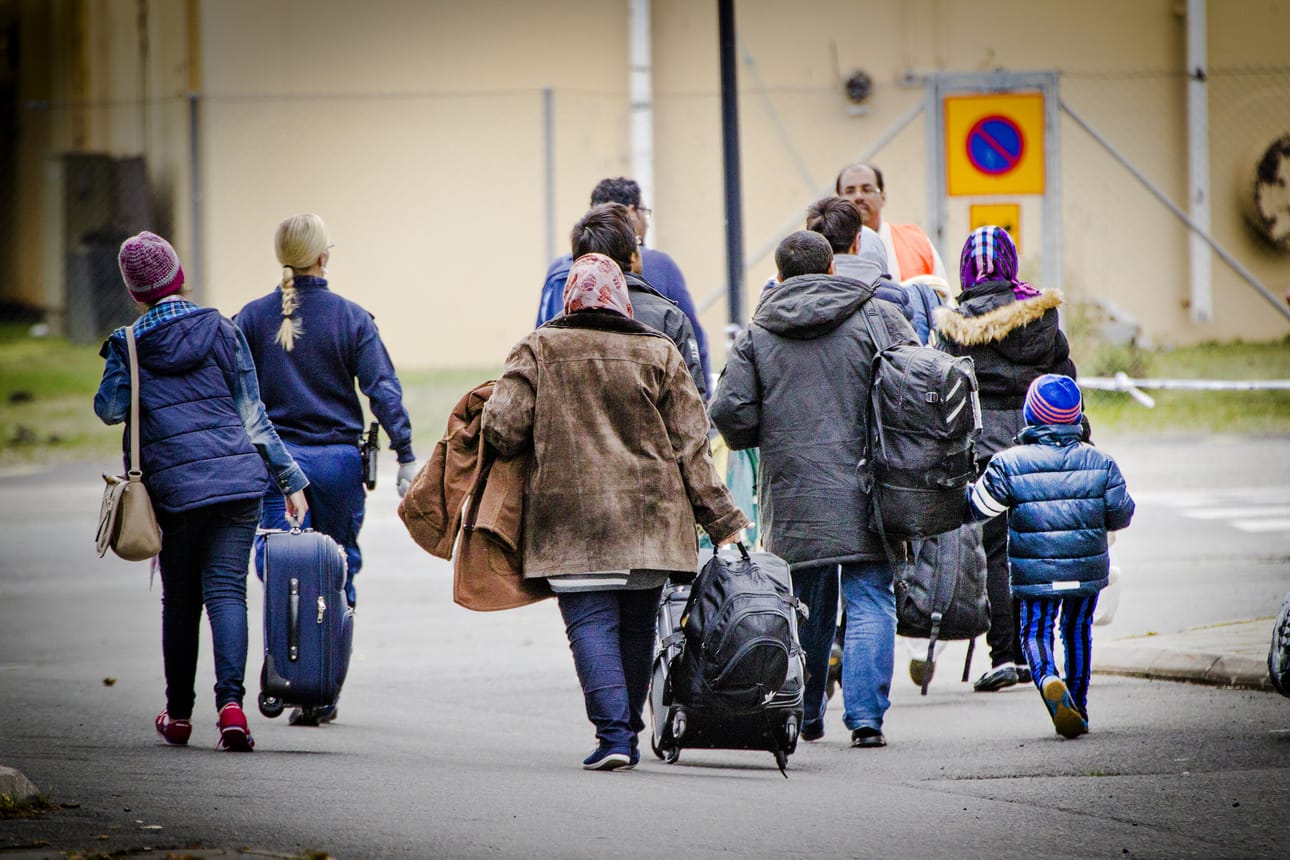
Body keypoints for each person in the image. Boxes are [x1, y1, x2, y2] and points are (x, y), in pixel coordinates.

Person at [482, 253, 749, 771]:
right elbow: (692, 450)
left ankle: (614, 737)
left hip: (569, 525)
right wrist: (725, 523)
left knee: (590, 627)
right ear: (623, 301)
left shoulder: (538, 349)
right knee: (634, 628)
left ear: (569, 298)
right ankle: (624, 728)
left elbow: (503, 429)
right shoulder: (660, 353)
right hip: (651, 525)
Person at [94, 230, 309, 752]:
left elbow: (110, 409)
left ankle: (179, 714)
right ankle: (232, 708)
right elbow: (252, 415)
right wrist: (290, 480)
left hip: (173, 491)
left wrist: (126, 363)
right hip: (238, 484)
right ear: (179, 277)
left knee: (181, 601)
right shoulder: (220, 328)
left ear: (135, 292)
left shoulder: (130, 344)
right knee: (227, 594)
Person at [710, 230, 919, 749]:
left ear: (778, 277)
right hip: (871, 485)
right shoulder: (874, 314)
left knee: (806, 602)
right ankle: (867, 718)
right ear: (832, 270)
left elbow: (730, 412)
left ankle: (804, 712)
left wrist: (768, 435)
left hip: (795, 490)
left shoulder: (758, 331)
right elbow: (915, 384)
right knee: (871, 594)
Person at [235, 213, 417, 725]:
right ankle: (324, 689)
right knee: (338, 571)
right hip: (338, 465)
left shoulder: (250, 319)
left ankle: (286, 673)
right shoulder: (353, 318)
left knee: (276, 572)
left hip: (276, 466)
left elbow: (234, 396)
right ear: (323, 257)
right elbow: (382, 390)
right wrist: (404, 453)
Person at [932, 225, 1078, 693]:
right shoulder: (1044, 318)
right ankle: (1042, 654)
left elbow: (944, 395)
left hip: (984, 451)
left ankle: (1005, 656)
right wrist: (1081, 440)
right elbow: (1068, 385)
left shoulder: (954, 327)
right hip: (1044, 443)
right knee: (1041, 547)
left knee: (996, 550)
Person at [966, 374, 1135, 737]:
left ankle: (1047, 679)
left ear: (1031, 415)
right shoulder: (1100, 463)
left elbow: (979, 508)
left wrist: (959, 491)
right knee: (1077, 630)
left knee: (1035, 632)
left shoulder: (1009, 464)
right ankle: (1078, 703)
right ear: (1077, 417)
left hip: (1037, 571)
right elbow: (1122, 514)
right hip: (1087, 567)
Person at [538, 177, 712, 394]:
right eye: (644, 212)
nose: (646, 222)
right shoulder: (664, 287)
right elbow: (691, 392)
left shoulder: (551, 320)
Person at [836, 162, 947, 283]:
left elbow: (942, 294)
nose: (858, 196)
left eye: (867, 189)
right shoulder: (827, 245)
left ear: (883, 197)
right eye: (850, 191)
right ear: (838, 199)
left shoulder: (916, 241)